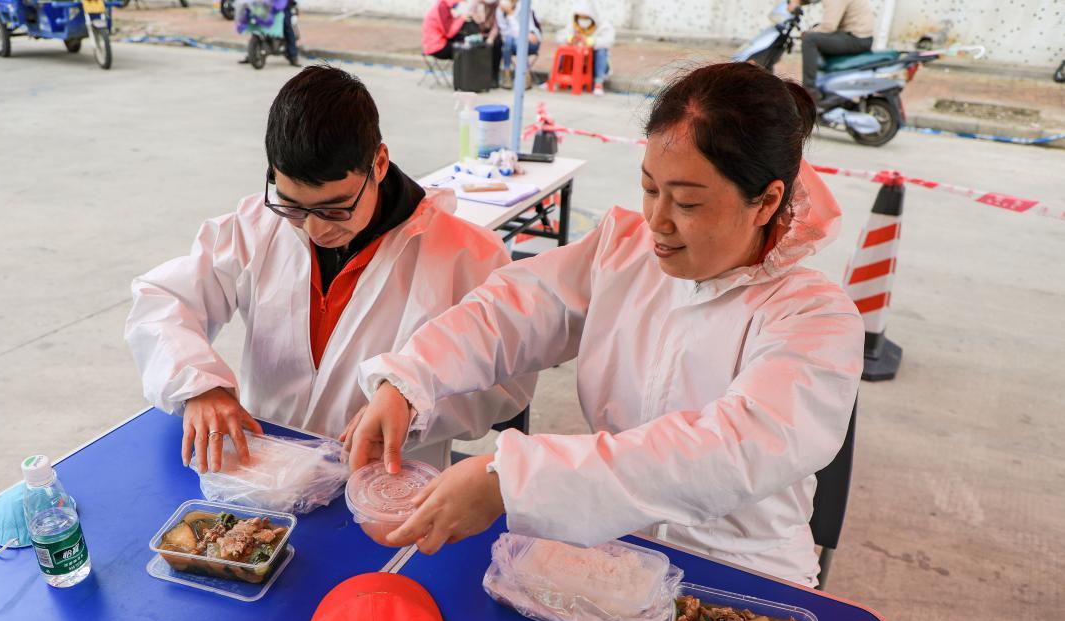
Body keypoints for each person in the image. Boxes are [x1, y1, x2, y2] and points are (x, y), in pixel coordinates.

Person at [345, 62, 864, 587]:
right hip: (618, 556)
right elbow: (510, 311)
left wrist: (515, 480)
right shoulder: (624, 251)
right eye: (650, 189)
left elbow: (724, 452)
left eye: (687, 202)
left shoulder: (815, 319)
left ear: (767, 201)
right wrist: (409, 379)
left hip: (741, 574)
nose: (658, 221)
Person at [125, 66, 534, 474]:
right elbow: (163, 301)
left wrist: (415, 404)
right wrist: (198, 385)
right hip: (268, 475)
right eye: (292, 206)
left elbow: (506, 382)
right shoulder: (256, 226)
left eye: (335, 208)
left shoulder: (465, 255)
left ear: (379, 163)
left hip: (382, 483)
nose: (315, 229)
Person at [788, 0, 875, 97]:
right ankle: (825, 86)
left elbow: (828, 26)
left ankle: (809, 92)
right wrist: (798, 2)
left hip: (857, 38)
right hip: (856, 36)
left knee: (809, 39)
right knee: (816, 33)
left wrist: (808, 33)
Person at [560, 0, 613, 95]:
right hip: (576, 64)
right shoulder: (573, 25)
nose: (583, 20)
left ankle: (598, 83)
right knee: (563, 48)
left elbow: (608, 41)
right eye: (581, 17)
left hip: (593, 65)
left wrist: (591, 41)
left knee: (602, 50)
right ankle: (556, 78)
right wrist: (570, 39)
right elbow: (559, 37)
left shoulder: (602, 26)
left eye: (586, 18)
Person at [495, 0, 542, 88]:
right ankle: (524, 76)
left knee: (518, 42)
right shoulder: (500, 10)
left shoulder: (524, 7)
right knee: (509, 41)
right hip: (512, 44)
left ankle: (509, 76)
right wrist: (509, 14)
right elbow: (505, 33)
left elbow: (529, 32)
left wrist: (510, 14)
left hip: (531, 43)